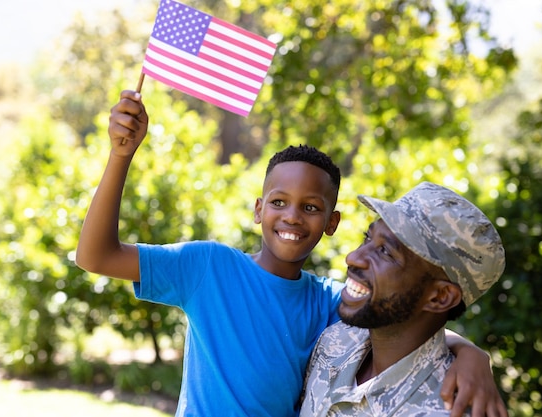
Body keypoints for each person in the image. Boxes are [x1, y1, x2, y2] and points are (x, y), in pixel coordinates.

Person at [76, 90, 505, 417]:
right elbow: (95, 256)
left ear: (331, 224)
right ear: (258, 209)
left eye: (312, 208)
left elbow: (406, 322)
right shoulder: (209, 267)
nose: (293, 217)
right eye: (278, 202)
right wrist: (120, 155)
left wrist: (470, 355)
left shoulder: (328, 305)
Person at [299, 182, 507, 417]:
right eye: (368, 238)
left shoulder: (448, 410)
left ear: (440, 297)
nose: (353, 257)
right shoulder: (337, 340)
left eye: (386, 252)